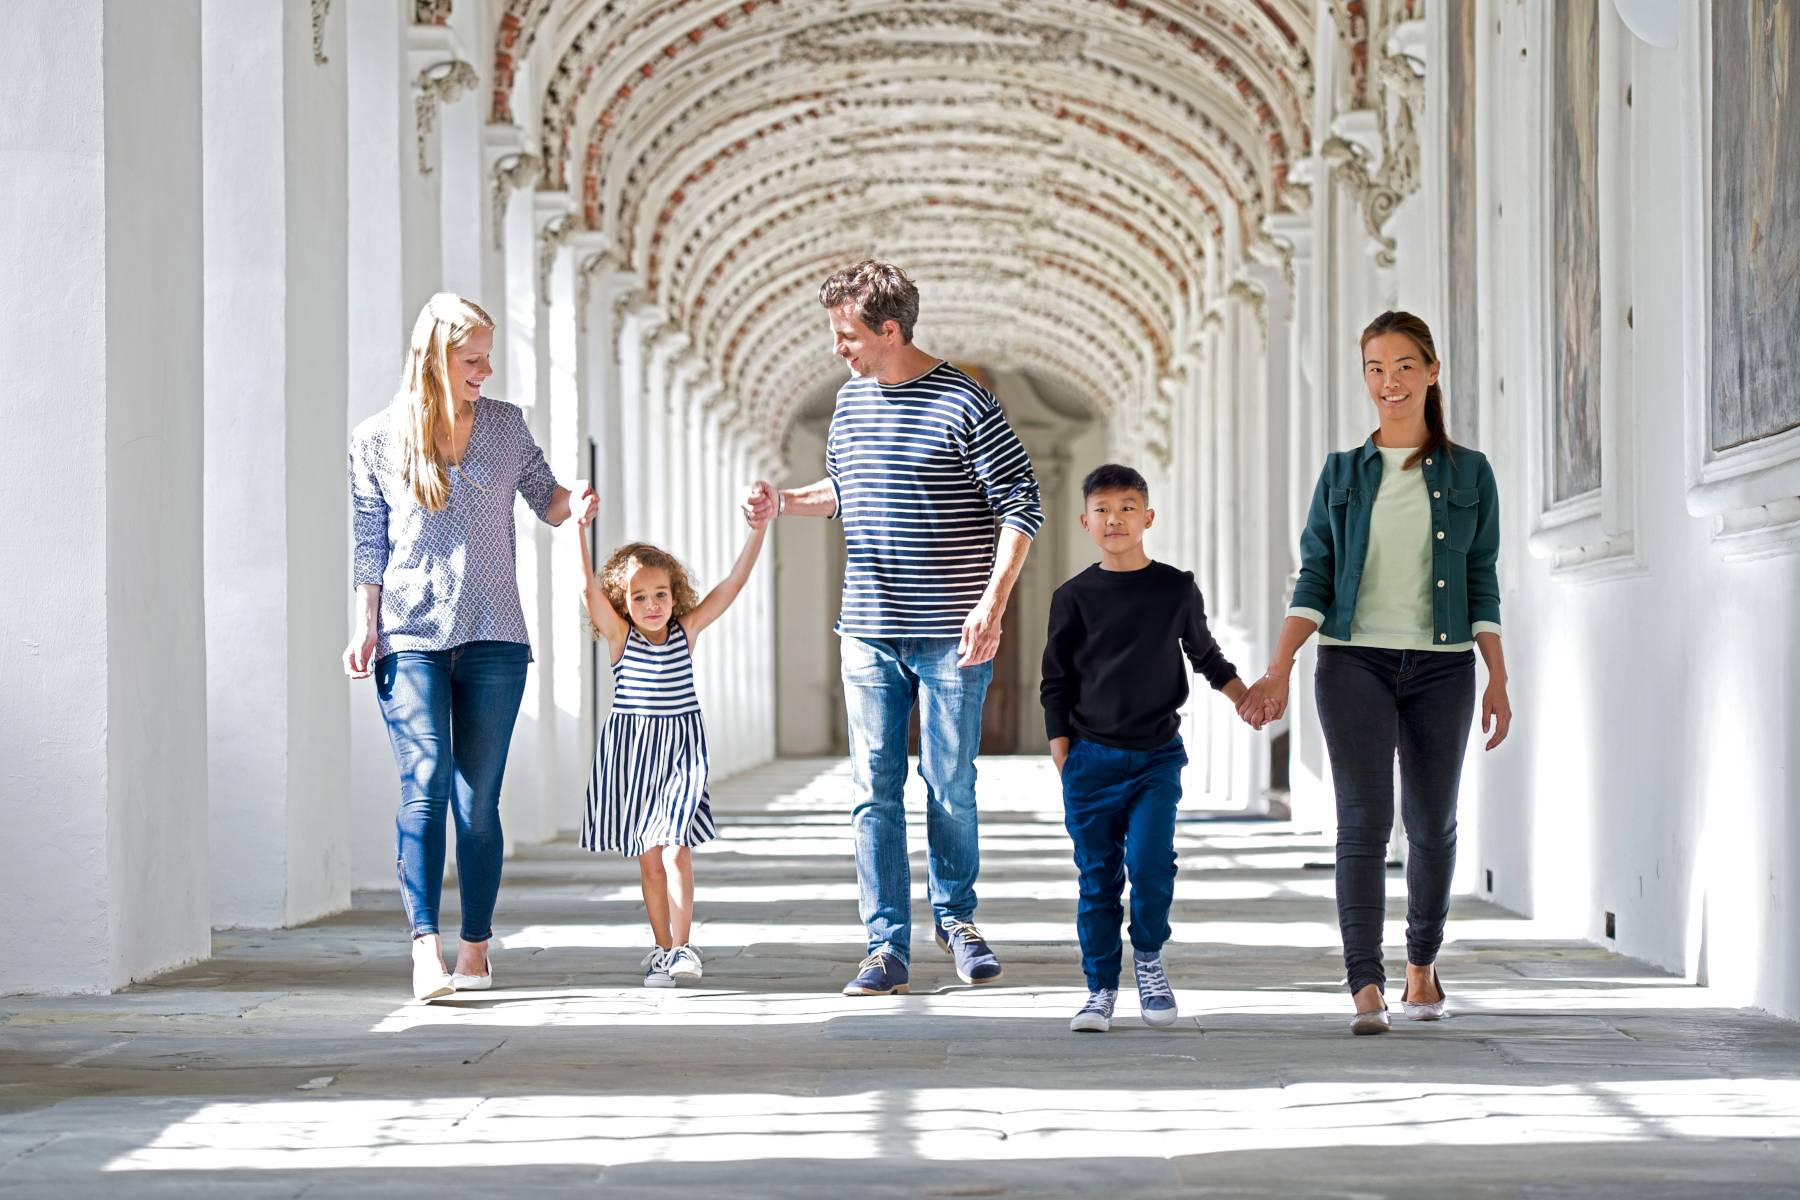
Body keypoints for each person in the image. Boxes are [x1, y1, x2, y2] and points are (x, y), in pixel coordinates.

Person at [742, 261, 1043, 996]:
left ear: (889, 330)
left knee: (951, 784)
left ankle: (957, 920)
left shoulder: (966, 401)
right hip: (869, 627)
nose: (837, 348)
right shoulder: (850, 401)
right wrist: (783, 502)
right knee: (873, 789)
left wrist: (993, 603)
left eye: (847, 335)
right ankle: (885, 946)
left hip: (952, 632)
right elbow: (845, 491)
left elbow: (1021, 505)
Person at [1238, 310, 1512, 1035]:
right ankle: (1365, 982)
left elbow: (1481, 579)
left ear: (1432, 372)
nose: (1389, 382)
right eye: (1375, 369)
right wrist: (1278, 666)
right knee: (1362, 822)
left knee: (1432, 824)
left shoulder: (1470, 473)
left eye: (1403, 366)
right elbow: (1315, 575)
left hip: (1443, 667)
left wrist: (1498, 676)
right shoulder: (1341, 473)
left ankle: (1422, 963)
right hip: (1352, 661)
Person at [346, 293, 598, 1002]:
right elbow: (369, 543)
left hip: (494, 635)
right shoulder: (376, 438)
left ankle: (476, 948)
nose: (485, 372)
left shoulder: (505, 425)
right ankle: (424, 948)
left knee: (477, 801)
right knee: (424, 784)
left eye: (487, 359)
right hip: (409, 634)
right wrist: (365, 624)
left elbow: (547, 499)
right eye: (472, 360)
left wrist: (576, 499)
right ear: (435, 358)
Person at [1041, 463, 1249, 1033]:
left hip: (1157, 756)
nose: (1115, 519)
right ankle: (1100, 990)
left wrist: (1245, 698)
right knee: (1098, 878)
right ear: (1085, 521)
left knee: (1152, 864)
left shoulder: (1175, 588)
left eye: (1127, 508)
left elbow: (1206, 656)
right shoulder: (1073, 597)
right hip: (1090, 759)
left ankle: (1150, 960)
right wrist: (1063, 752)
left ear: (1148, 517)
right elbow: (1056, 680)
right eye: (1103, 510)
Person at [576, 516, 769, 988]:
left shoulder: (686, 631)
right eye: (639, 597)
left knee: (677, 850)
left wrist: (759, 529)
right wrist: (579, 529)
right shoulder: (621, 638)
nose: (652, 605)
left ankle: (683, 948)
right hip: (633, 757)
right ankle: (663, 951)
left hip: (680, 753)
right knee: (650, 861)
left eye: (660, 593)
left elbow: (733, 584)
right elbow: (587, 590)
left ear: (675, 593)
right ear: (623, 602)